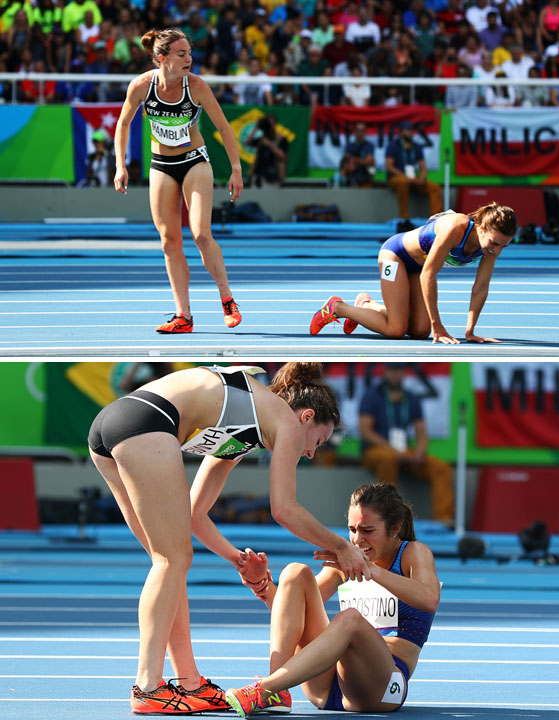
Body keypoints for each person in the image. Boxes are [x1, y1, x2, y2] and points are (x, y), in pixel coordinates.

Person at [87, 362, 370, 714]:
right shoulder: (286, 421)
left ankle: (190, 683)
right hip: (147, 421)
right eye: (318, 441)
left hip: (112, 425)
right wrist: (341, 546)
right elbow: (284, 508)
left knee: (170, 567)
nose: (310, 452)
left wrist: (236, 558)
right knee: (171, 561)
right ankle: (147, 687)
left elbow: (194, 513)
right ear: (307, 417)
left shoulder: (244, 430)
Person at [225, 482, 439, 717]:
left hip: (383, 687)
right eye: (352, 529)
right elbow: (292, 614)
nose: (357, 540)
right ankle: (277, 691)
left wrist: (370, 570)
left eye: (367, 531)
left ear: (396, 527)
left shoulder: (413, 553)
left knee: (350, 620)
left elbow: (429, 599)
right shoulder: (344, 562)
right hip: (326, 685)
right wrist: (262, 586)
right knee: (295, 572)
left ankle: (265, 688)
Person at [113, 28, 244, 334]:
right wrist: (120, 165)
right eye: (182, 54)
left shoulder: (196, 87)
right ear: (162, 58)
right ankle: (183, 315)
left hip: (194, 161)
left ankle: (227, 298)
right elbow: (123, 124)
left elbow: (224, 129)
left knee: (200, 234)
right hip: (161, 164)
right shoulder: (142, 86)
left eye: (190, 53)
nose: (190, 59)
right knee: (169, 241)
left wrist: (236, 169)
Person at [309, 202, 516, 343]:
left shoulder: (490, 247)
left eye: (503, 247)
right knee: (396, 330)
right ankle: (338, 308)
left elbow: (480, 287)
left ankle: (366, 305)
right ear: (481, 229)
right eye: (494, 243)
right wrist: (438, 325)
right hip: (395, 256)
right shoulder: (456, 228)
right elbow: (429, 274)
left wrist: (470, 331)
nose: (496, 250)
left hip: (417, 267)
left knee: (419, 331)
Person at [358, 364, 454, 525]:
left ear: (404, 373)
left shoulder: (411, 398)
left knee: (441, 468)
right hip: (377, 451)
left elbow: (421, 433)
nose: (395, 375)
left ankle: (443, 521)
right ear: (385, 372)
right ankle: (388, 519)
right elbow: (365, 431)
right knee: (388, 459)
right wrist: (392, 450)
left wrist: (419, 452)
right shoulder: (372, 396)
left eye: (399, 371)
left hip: (403, 452)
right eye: (392, 370)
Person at [385, 122, 444, 219]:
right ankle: (404, 217)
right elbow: (389, 166)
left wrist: (422, 178)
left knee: (435, 188)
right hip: (397, 178)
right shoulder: (393, 146)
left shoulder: (416, 146)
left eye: (411, 130)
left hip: (412, 179)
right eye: (407, 130)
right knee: (403, 182)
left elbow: (423, 167)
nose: (410, 133)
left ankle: (436, 220)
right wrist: (405, 177)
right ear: (401, 132)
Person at [339, 121, 376, 187]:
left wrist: (353, 159)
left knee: (373, 162)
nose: (360, 133)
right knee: (343, 168)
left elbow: (368, 161)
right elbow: (347, 162)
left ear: (365, 132)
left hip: (365, 175)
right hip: (352, 175)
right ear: (355, 131)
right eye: (358, 130)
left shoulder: (369, 145)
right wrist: (360, 161)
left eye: (362, 131)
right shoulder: (349, 146)